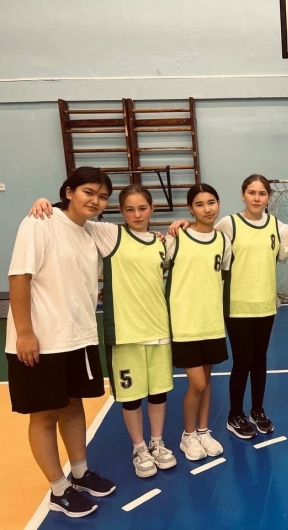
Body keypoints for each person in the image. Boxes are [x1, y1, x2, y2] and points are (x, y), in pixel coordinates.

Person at [29, 185, 177, 478]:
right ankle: (139, 448)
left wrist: (182, 224)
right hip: (125, 333)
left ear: (152, 209)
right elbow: (75, 215)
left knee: (158, 394)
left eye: (142, 208)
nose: (137, 214)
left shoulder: (162, 243)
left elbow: (192, 240)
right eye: (129, 209)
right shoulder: (110, 235)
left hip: (159, 330)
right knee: (131, 397)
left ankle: (157, 443)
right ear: (121, 212)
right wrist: (47, 203)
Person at [6, 167, 116, 518]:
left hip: (78, 336)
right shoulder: (40, 222)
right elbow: (19, 278)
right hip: (42, 340)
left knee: (73, 406)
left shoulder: (92, 232)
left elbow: (140, 230)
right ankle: (58, 489)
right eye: (88, 192)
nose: (95, 201)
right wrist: (25, 333)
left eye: (102, 197)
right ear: (69, 191)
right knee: (44, 415)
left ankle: (80, 474)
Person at [214, 175, 288, 439]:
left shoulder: (278, 227)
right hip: (237, 306)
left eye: (262, 193)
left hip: (265, 305)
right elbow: (204, 238)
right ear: (242, 194)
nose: (257, 198)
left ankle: (257, 410)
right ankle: (234, 414)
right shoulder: (229, 224)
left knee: (260, 360)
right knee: (242, 361)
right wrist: (183, 224)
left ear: (268, 197)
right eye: (251, 192)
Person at [166, 184, 231, 460]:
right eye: (200, 204)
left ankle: (203, 431)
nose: (207, 209)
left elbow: (221, 274)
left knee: (207, 379)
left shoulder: (223, 240)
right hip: (185, 323)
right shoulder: (177, 238)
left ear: (218, 203)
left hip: (211, 321)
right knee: (198, 384)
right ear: (190, 208)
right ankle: (188, 434)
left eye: (211, 202)